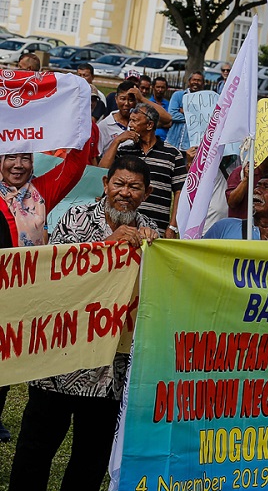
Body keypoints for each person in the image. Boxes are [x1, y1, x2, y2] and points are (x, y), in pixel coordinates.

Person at [8, 156, 158, 491]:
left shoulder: (151, 234)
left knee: (90, 457)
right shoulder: (75, 218)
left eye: (134, 187)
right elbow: (56, 275)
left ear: (146, 194)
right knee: (36, 448)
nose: (125, 193)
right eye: (119, 184)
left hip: (109, 369)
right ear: (105, 185)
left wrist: (154, 253)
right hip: (59, 359)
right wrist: (107, 246)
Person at [99, 103, 187, 237]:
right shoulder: (124, 151)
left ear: (150, 125)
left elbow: (180, 192)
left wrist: (173, 227)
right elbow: (100, 172)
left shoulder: (173, 154)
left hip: (156, 229)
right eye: (130, 120)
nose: (130, 125)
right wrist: (117, 141)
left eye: (135, 120)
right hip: (124, 229)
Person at [0, 149, 88, 247]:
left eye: (25, 158)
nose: (18, 165)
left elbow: (75, 165)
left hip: (33, 262)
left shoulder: (39, 192)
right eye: (11, 158)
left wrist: (83, 134)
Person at [166, 71, 205, 150]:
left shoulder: (205, 101)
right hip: (172, 142)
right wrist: (196, 115)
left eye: (199, 80)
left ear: (203, 84)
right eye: (194, 80)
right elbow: (172, 115)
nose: (196, 82)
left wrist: (185, 111)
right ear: (189, 81)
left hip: (190, 147)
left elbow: (204, 120)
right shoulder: (178, 95)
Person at [97, 80, 139, 154]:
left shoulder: (140, 123)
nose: (126, 103)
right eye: (122, 99)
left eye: (131, 100)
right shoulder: (104, 126)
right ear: (116, 99)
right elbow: (97, 156)